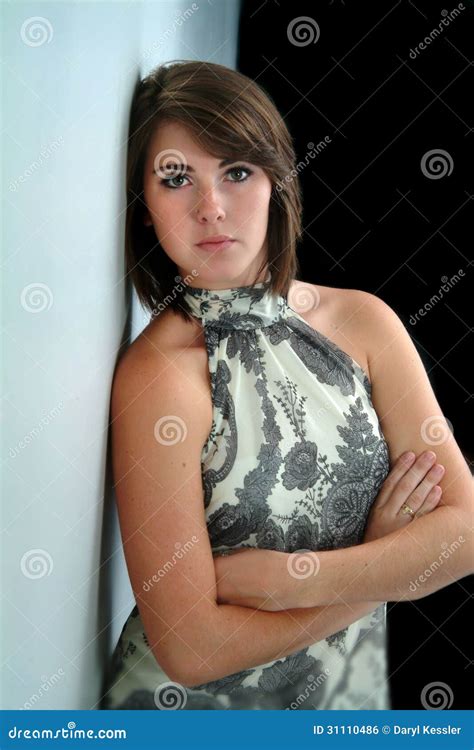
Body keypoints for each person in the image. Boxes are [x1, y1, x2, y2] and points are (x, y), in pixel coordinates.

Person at [99, 60, 472, 710]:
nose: (210, 207)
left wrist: (289, 580)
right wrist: (380, 569)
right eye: (176, 179)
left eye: (236, 171)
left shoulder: (364, 323)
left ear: (276, 180)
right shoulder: (160, 375)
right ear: (144, 204)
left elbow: (465, 534)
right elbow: (190, 649)